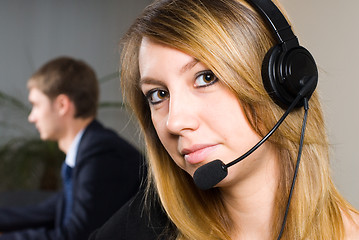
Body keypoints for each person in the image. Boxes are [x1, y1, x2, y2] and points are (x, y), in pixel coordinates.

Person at [90, 0, 359, 239]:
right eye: (158, 95)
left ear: (281, 85)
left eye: (206, 78)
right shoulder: (136, 228)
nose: (174, 122)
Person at [0, 57, 144, 240]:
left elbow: (77, 236)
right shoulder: (89, 148)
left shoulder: (103, 154)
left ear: (62, 105)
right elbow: (50, 209)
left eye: (36, 105)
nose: (31, 117)